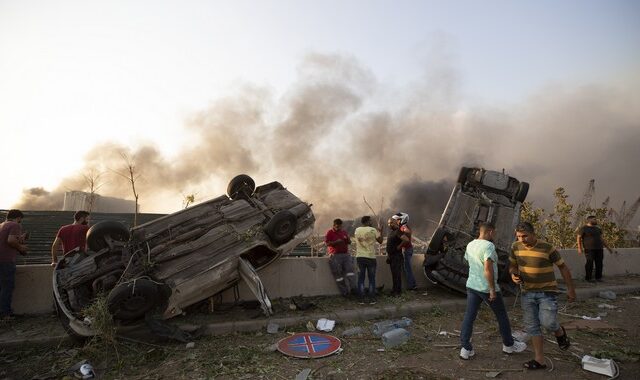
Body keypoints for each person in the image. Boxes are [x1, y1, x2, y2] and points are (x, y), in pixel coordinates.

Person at [509, 222, 576, 370]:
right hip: (527, 293)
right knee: (532, 326)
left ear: (533, 234)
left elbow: (563, 267)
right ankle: (540, 360)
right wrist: (513, 275)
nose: (522, 239)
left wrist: (571, 289)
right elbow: (512, 265)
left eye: (525, 236)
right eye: (519, 236)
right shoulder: (515, 247)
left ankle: (559, 331)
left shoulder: (547, 247)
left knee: (548, 323)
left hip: (547, 293)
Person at [459, 222, 526, 360]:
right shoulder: (489, 246)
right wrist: (492, 290)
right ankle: (509, 345)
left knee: (469, 317)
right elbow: (487, 269)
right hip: (486, 288)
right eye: (494, 232)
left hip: (472, 286)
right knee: (501, 315)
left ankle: (465, 348)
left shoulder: (470, 244)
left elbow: (468, 262)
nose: (494, 235)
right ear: (489, 232)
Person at [0, 209, 28, 321]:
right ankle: (5, 314)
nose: (20, 222)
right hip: (6, 260)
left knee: (1, 287)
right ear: (18, 218)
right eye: (20, 220)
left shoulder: (2, 225)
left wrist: (20, 238)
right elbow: (11, 241)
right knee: (7, 287)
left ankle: (3, 313)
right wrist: (22, 248)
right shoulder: (15, 225)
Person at [576, 215, 616, 283]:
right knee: (590, 263)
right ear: (589, 220)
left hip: (599, 249)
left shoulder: (598, 229)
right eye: (594, 219)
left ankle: (598, 278)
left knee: (599, 263)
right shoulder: (583, 228)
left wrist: (608, 248)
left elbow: (601, 239)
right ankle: (588, 278)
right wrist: (579, 248)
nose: (596, 220)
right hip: (589, 249)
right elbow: (578, 238)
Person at [354, 216, 383, 304]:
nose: (371, 222)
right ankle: (371, 299)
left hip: (360, 257)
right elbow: (381, 241)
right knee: (371, 279)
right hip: (370, 257)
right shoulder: (373, 230)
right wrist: (380, 231)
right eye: (370, 221)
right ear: (367, 222)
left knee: (361, 279)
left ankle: (361, 299)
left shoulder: (357, 230)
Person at [325, 218, 355, 297]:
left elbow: (349, 242)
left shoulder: (344, 232)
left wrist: (348, 240)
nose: (339, 228)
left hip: (345, 255)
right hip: (335, 256)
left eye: (340, 226)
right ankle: (344, 292)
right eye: (337, 226)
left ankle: (353, 290)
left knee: (350, 272)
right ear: (334, 225)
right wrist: (336, 242)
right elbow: (327, 243)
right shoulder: (330, 232)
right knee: (338, 275)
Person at [393, 212, 416, 290]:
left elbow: (408, 232)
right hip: (407, 249)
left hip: (407, 250)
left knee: (408, 268)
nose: (396, 221)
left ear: (402, 219)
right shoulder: (404, 226)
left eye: (398, 220)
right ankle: (412, 285)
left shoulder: (403, 226)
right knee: (407, 268)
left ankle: (412, 286)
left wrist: (406, 231)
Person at [385, 217, 404, 296]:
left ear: (395, 222)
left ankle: (397, 292)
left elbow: (406, 239)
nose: (389, 225)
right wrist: (389, 255)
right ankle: (394, 291)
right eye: (388, 223)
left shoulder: (398, 231)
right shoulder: (392, 232)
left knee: (397, 274)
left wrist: (398, 247)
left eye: (391, 223)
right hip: (392, 256)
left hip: (397, 256)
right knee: (394, 274)